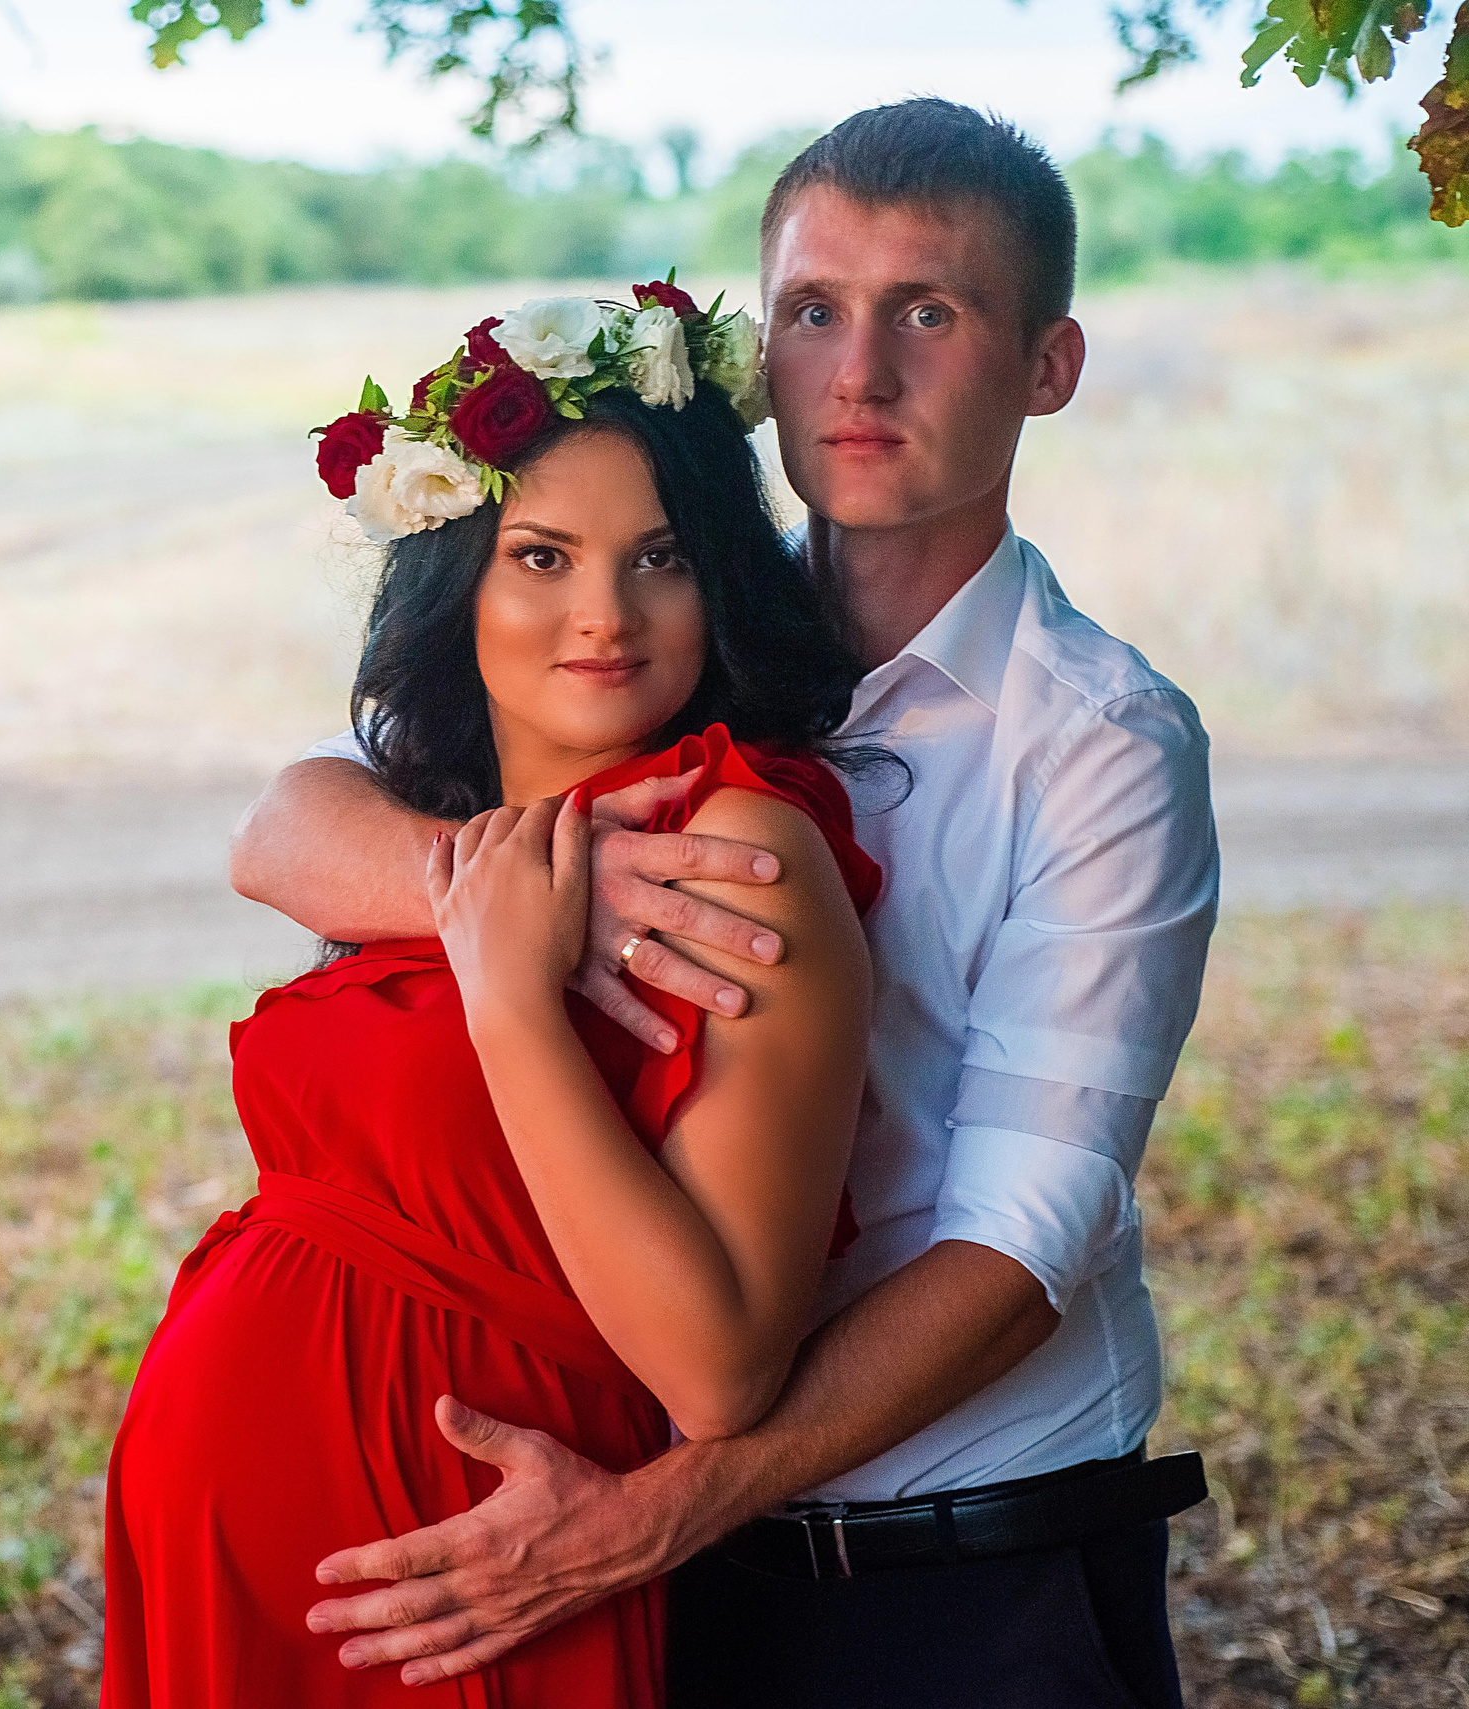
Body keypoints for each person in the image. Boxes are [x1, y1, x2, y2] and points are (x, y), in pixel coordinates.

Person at [239, 100, 1221, 1709]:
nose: (861, 372)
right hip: (676, 1567)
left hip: (959, 1564)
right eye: (816, 312)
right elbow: (294, 819)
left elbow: (1030, 1234)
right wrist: (554, 887)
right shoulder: (676, 618)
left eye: (930, 312)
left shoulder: (1101, 740)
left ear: (1047, 364)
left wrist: (651, 1514)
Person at [99, 284, 889, 1706]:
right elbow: (268, 832)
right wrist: (502, 908)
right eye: (542, 555)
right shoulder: (423, 810)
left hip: (464, 1582)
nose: (605, 615)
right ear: (458, 575)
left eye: (661, 557)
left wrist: (517, 997)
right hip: (234, 1561)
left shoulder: (736, 847)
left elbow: (717, 1373)